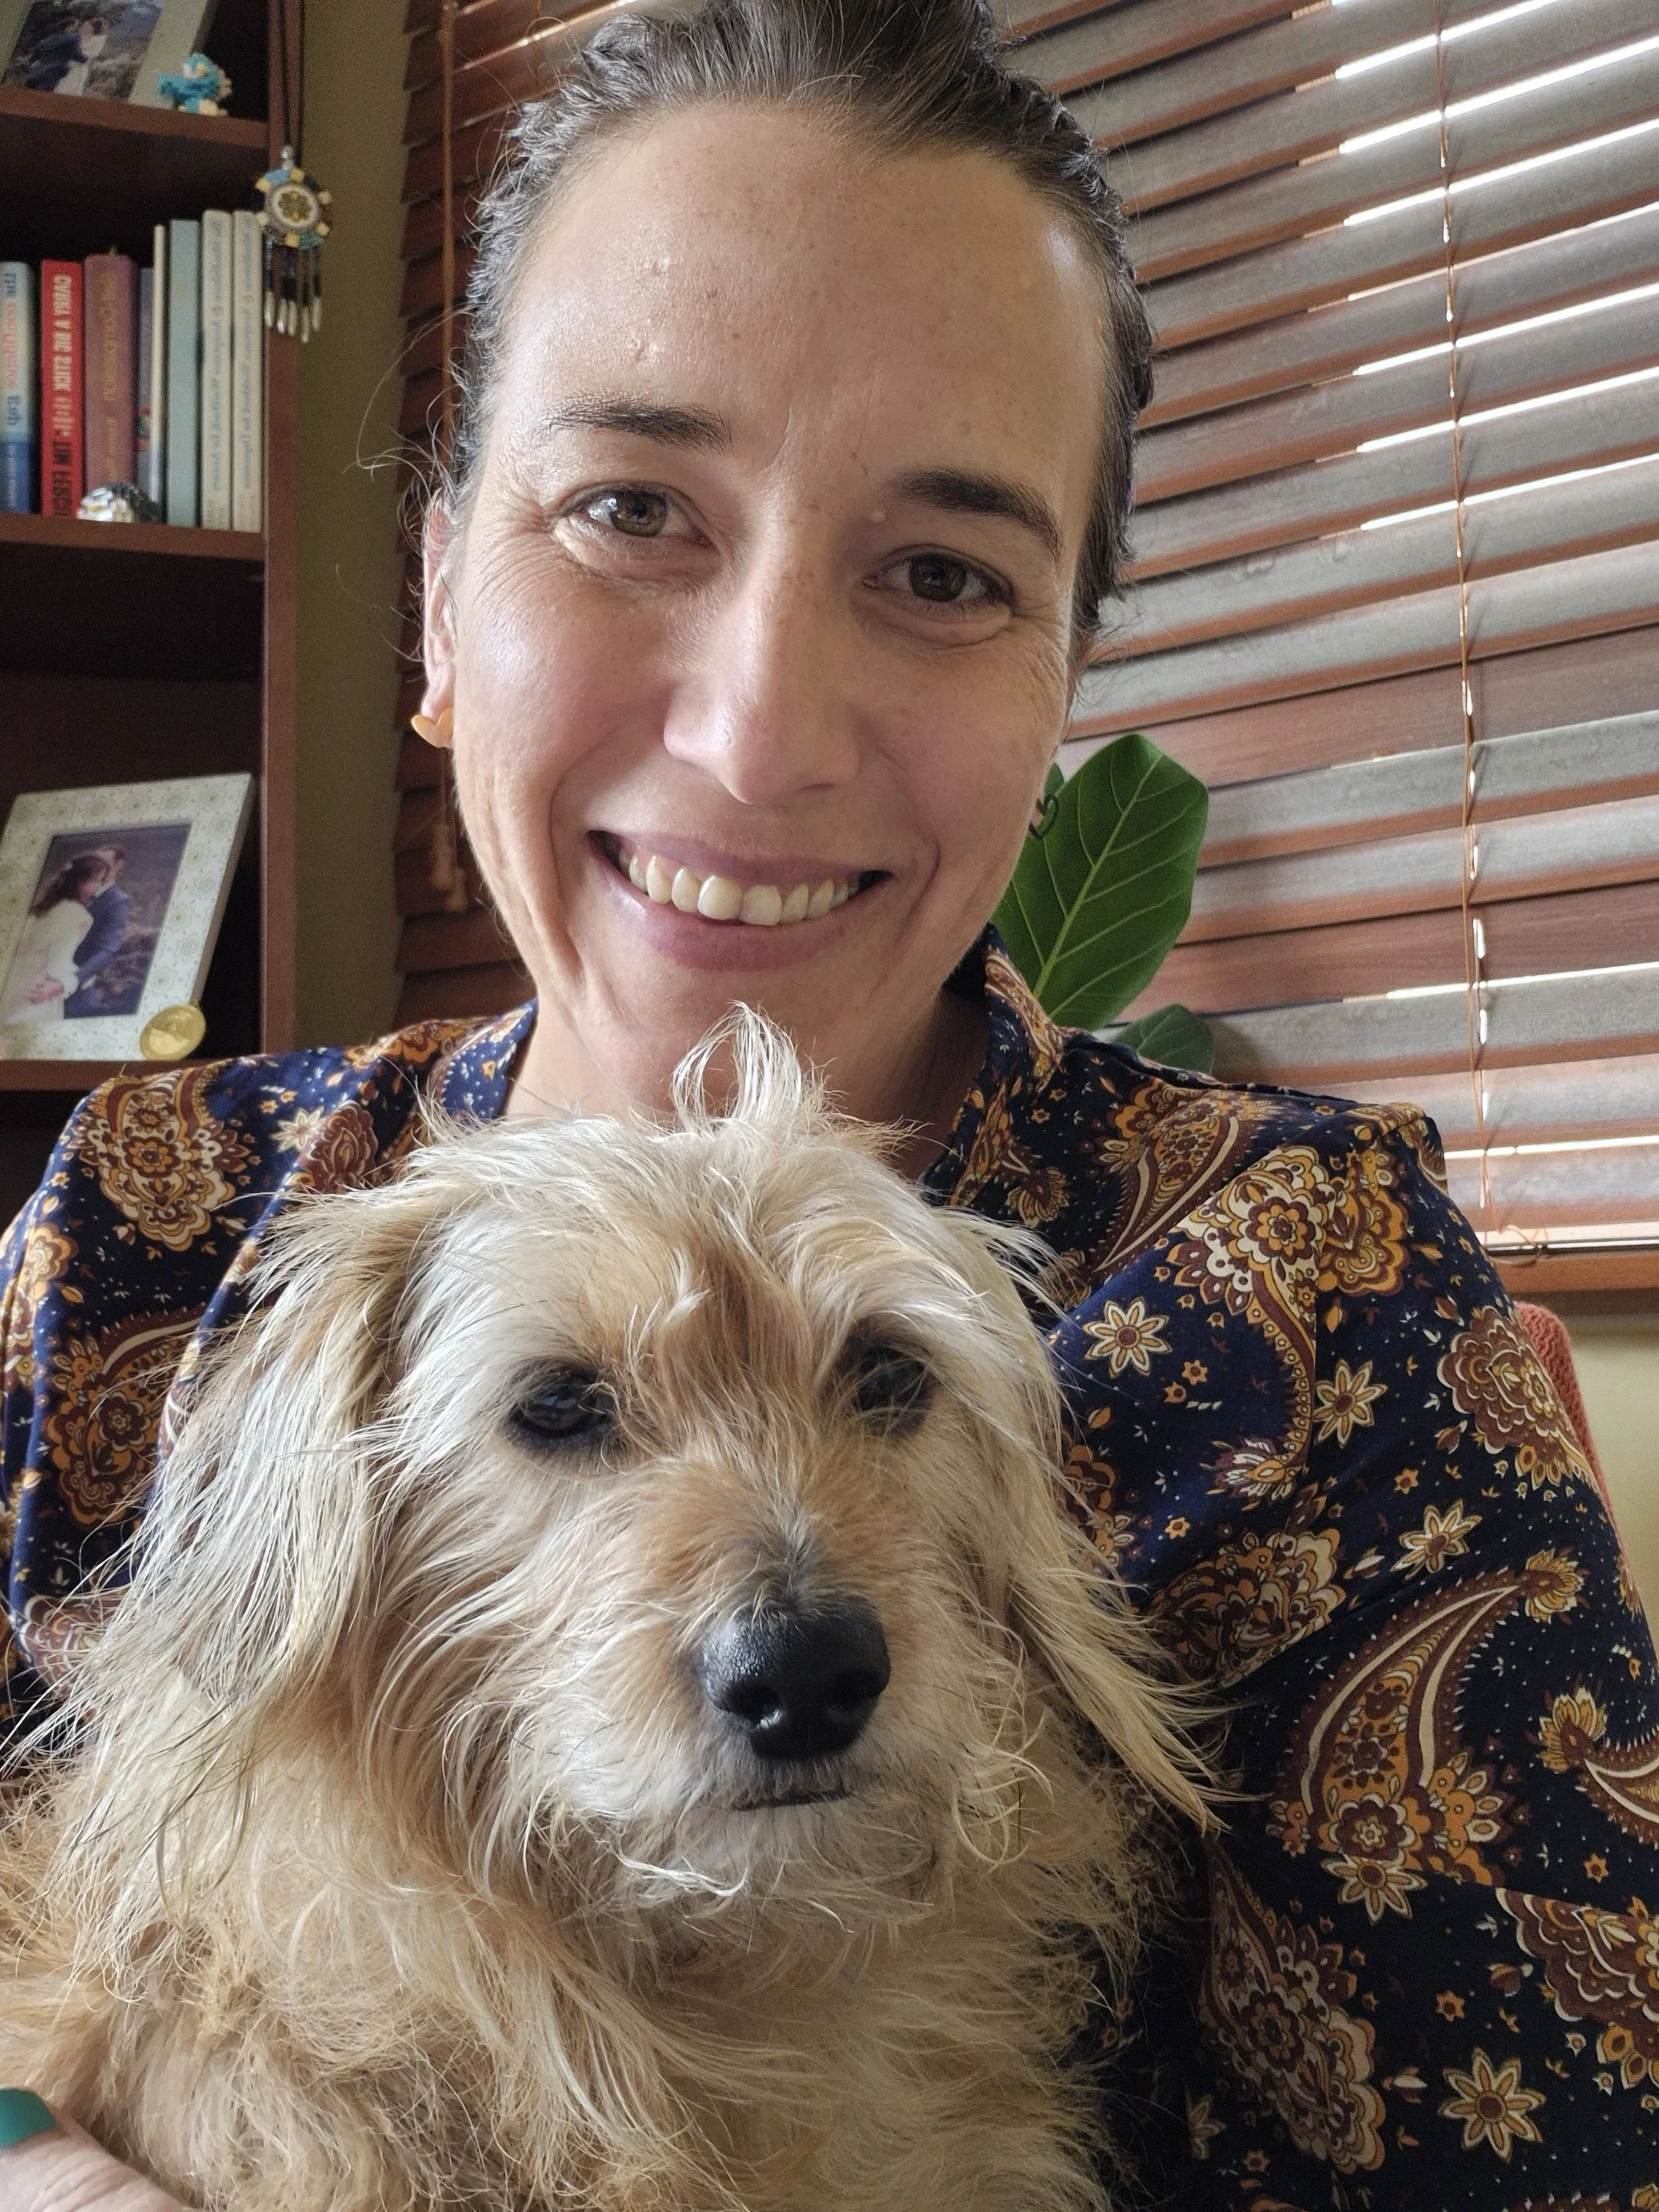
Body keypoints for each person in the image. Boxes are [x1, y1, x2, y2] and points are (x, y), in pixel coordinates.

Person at [1, 3, 1653, 2204]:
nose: (763, 728)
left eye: (947, 573)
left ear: (1066, 674)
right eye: (629, 510)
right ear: (436, 598)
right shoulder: (155, 1211)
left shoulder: (1312, 1282)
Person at [0, 854, 105, 1029]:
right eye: (97, 881)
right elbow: (59, 960)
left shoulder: (43, 908)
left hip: (15, 982)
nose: (100, 886)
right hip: (39, 988)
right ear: (80, 881)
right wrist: (68, 983)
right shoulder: (80, 915)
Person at [59, 845, 131, 1018]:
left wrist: (74, 980)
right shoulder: (69, 893)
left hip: (77, 989)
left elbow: (107, 950)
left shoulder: (118, 901)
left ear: (119, 865)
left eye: (105, 863)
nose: (99, 867)